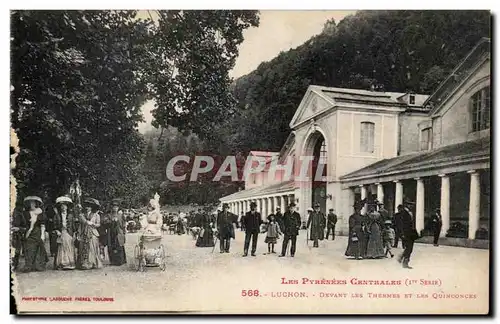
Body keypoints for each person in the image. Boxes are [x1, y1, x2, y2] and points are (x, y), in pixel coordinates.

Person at [20, 196, 48, 272]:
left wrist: (42, 235)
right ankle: (28, 265)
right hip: (29, 233)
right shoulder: (25, 213)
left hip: (37, 232)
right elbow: (24, 224)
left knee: (38, 249)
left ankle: (37, 265)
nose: (31, 204)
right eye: (30, 202)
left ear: (36, 203)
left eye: (33, 202)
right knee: (28, 248)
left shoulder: (40, 213)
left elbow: (42, 225)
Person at [77, 198, 103, 270]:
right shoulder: (82, 215)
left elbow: (99, 224)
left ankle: (92, 262)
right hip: (84, 232)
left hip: (93, 232)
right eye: (86, 206)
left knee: (92, 247)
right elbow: (80, 225)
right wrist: (79, 234)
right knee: (84, 247)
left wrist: (93, 224)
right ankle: (84, 263)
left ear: (92, 207)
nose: (87, 208)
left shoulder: (96, 215)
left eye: (89, 206)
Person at [53, 196, 77, 270]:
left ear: (67, 207)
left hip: (69, 233)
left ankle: (70, 263)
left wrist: (75, 233)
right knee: (62, 248)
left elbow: (74, 226)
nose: (63, 208)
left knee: (69, 247)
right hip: (61, 233)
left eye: (64, 206)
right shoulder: (57, 216)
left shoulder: (71, 216)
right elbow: (54, 226)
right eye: (62, 207)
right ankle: (62, 263)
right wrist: (57, 231)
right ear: (60, 208)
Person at [397, 200, 419, 269]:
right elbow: (401, 224)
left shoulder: (410, 213)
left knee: (409, 248)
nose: (412, 206)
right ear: (407, 205)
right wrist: (402, 233)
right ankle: (405, 263)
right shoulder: (404, 213)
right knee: (409, 248)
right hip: (406, 233)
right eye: (411, 205)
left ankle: (401, 258)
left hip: (411, 233)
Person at [107, 199, 127, 266]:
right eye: (113, 207)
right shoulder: (109, 215)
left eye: (116, 207)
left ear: (118, 208)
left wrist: (123, 230)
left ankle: (120, 260)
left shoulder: (121, 215)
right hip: (111, 232)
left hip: (119, 232)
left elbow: (123, 224)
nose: (115, 208)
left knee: (119, 246)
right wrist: (111, 221)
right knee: (112, 246)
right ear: (112, 208)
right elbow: (106, 223)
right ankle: (113, 261)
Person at [12, 204, 27, 271]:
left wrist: (18, 228)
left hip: (16, 237)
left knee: (16, 252)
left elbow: (25, 227)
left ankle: (14, 265)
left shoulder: (19, 214)